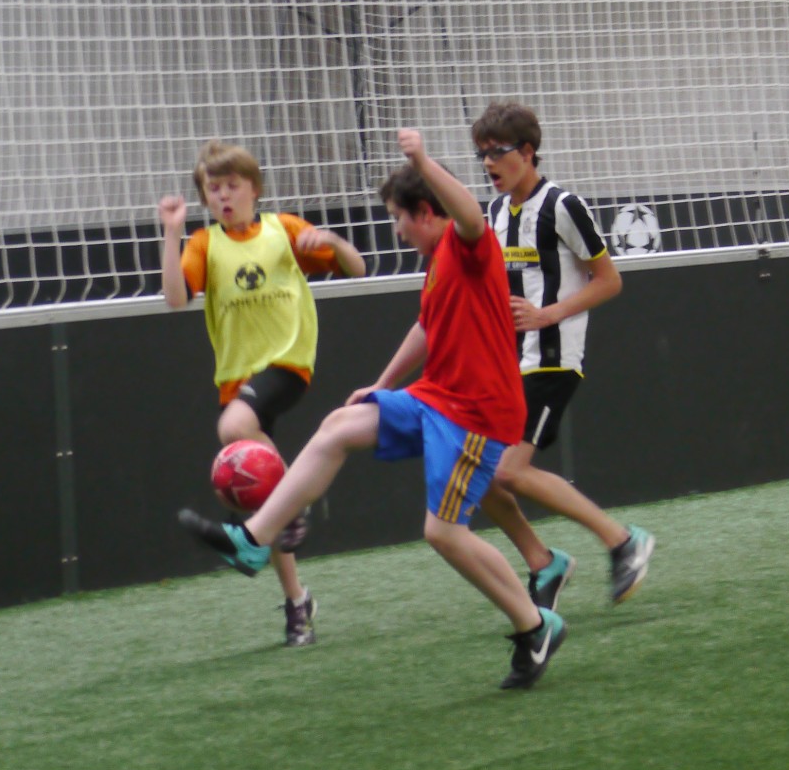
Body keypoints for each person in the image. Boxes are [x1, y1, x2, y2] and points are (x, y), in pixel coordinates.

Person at [180, 129, 567, 690]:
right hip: (435, 398)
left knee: (442, 533)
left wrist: (421, 159)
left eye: (399, 218)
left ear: (426, 214)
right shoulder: (437, 263)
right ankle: (254, 540)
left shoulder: (470, 244)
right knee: (339, 426)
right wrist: (382, 384)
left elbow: (468, 213)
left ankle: (534, 626)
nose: (396, 230)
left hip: (476, 414)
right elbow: (426, 328)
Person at [158, 141, 364, 646]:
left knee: (233, 429)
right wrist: (171, 232)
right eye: (213, 189)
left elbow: (356, 268)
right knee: (265, 503)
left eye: (232, 186)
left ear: (254, 189)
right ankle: (298, 604)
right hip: (237, 379)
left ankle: (294, 503)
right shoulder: (205, 243)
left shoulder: (282, 230)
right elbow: (175, 299)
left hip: (288, 362)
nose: (223, 196)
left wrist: (332, 241)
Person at [465, 101, 654, 611]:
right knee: (475, 470)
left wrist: (548, 314)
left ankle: (622, 540)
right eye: (481, 154)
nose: (488, 163)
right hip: (508, 363)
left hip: (553, 359)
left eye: (497, 152)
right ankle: (543, 562)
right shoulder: (495, 213)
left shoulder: (563, 206)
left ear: (527, 152)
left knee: (507, 471)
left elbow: (609, 280)